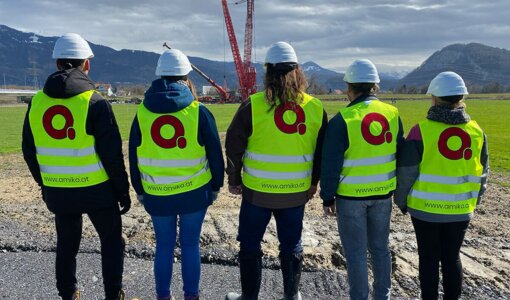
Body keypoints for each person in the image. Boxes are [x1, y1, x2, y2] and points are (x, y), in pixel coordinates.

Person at [21, 33, 130, 300]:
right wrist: (122, 191)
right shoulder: (96, 102)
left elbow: (28, 150)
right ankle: (113, 295)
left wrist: (44, 183)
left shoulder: (37, 102)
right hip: (98, 191)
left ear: (57, 63)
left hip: (59, 191)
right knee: (112, 243)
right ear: (87, 65)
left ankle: (69, 295)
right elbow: (112, 155)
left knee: (67, 246)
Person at [225, 41, 328, 300]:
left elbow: (234, 145)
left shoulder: (253, 105)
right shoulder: (315, 108)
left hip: (257, 194)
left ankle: (249, 297)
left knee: (249, 246)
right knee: (291, 246)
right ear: (298, 72)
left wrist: (234, 180)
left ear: (268, 73)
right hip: (295, 193)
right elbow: (320, 153)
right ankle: (291, 296)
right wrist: (314, 182)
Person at [129, 49, 224, 300]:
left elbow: (133, 156)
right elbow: (215, 153)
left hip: (157, 194)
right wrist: (216, 185)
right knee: (191, 245)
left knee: (163, 246)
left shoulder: (142, 113)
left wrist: (139, 189)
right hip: (195, 192)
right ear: (186, 77)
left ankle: (163, 296)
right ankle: (191, 296)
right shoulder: (199, 111)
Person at [394, 71, 489, 300]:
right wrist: (472, 202)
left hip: (425, 210)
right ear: (461, 98)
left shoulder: (421, 130)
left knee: (428, 259)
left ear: (434, 98)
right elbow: (483, 173)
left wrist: (401, 201)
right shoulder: (477, 132)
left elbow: (406, 172)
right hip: (460, 211)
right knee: (452, 258)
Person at [320, 59, 404, 300]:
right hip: (382, 195)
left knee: (355, 252)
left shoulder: (342, 119)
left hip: (351, 198)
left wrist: (327, 196)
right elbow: (400, 152)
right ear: (374, 86)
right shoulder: (392, 114)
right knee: (380, 249)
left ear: (350, 88)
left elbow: (331, 164)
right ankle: (383, 296)